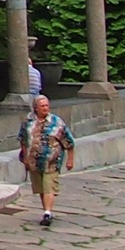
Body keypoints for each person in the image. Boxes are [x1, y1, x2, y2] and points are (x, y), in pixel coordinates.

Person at [17, 93, 75, 228]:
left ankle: (48, 213)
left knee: (49, 186)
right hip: (34, 161)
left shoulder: (56, 122)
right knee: (41, 188)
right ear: (35, 108)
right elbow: (23, 141)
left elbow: (69, 141)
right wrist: (25, 157)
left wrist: (70, 160)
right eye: (42, 106)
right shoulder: (28, 123)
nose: (45, 108)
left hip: (52, 160)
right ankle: (46, 210)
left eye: (47, 105)